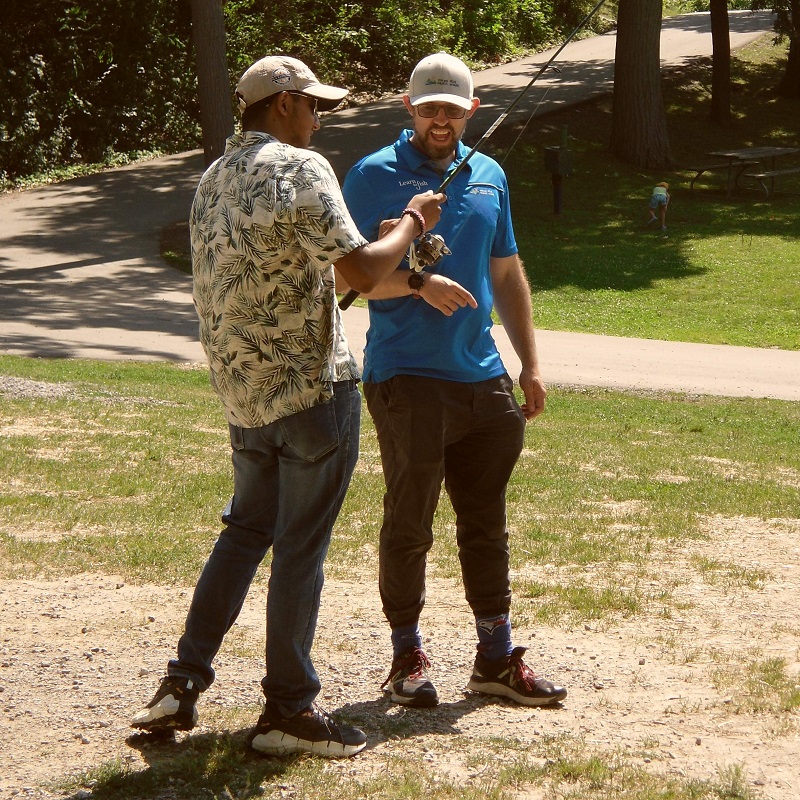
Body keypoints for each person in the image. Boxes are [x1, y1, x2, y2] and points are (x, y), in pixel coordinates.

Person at [130, 55, 443, 757]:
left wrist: (394, 266)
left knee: (244, 534)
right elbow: (360, 269)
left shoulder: (212, 180)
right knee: (300, 547)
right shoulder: (301, 170)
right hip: (311, 393)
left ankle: (181, 683)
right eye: (314, 107)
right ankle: (289, 712)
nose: (319, 120)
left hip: (245, 397)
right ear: (281, 105)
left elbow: (282, 282)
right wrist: (414, 223)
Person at [338, 52, 567, 709]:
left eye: (452, 106)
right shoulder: (371, 175)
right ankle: (405, 657)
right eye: (428, 105)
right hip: (406, 376)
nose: (440, 117)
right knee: (410, 522)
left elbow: (506, 270)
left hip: (484, 378)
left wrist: (530, 363)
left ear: (473, 111)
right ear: (408, 109)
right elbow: (344, 276)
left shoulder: (490, 175)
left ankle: (495, 659)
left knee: (485, 521)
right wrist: (416, 281)